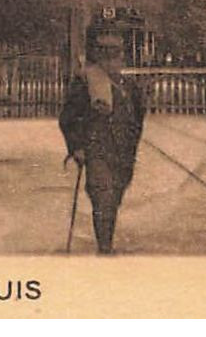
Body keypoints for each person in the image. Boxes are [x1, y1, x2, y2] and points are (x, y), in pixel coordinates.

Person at [59, 22, 145, 254]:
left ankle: (106, 240)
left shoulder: (130, 86)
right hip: (97, 149)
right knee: (103, 197)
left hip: (123, 152)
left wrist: (132, 144)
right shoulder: (85, 81)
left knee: (114, 197)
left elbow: (139, 117)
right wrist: (76, 147)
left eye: (115, 51)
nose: (111, 57)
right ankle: (104, 248)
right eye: (105, 51)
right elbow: (68, 117)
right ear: (97, 54)